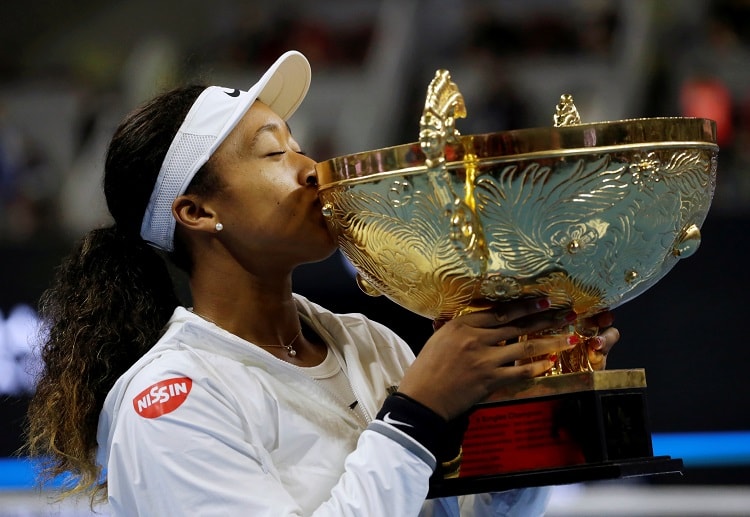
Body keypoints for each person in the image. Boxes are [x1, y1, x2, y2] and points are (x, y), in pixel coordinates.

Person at [25, 50, 619, 516]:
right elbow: (407, 441)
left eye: (300, 144)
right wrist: (417, 416)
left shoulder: (371, 344)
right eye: (271, 154)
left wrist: (523, 408)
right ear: (198, 213)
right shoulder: (170, 403)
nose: (314, 169)